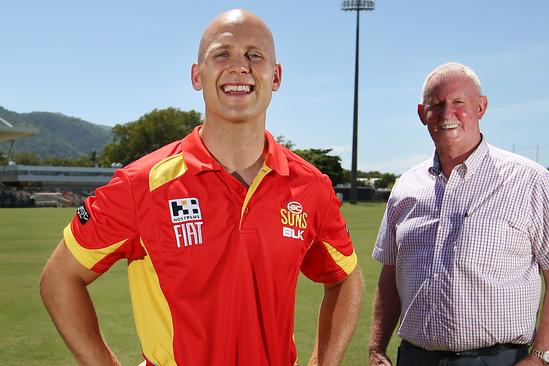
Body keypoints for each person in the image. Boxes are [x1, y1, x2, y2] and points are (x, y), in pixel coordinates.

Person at [40, 9, 363, 366]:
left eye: (255, 55)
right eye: (222, 54)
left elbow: (345, 277)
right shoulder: (140, 185)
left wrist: (323, 362)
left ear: (276, 76)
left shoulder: (311, 186)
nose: (240, 67)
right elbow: (60, 278)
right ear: (197, 75)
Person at [368, 63, 549, 366]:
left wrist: (542, 358)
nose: (447, 114)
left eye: (458, 103)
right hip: (415, 357)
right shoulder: (406, 186)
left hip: (499, 359)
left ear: (481, 107)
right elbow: (390, 275)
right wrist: (376, 348)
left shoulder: (530, 180)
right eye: (436, 105)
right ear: (421, 114)